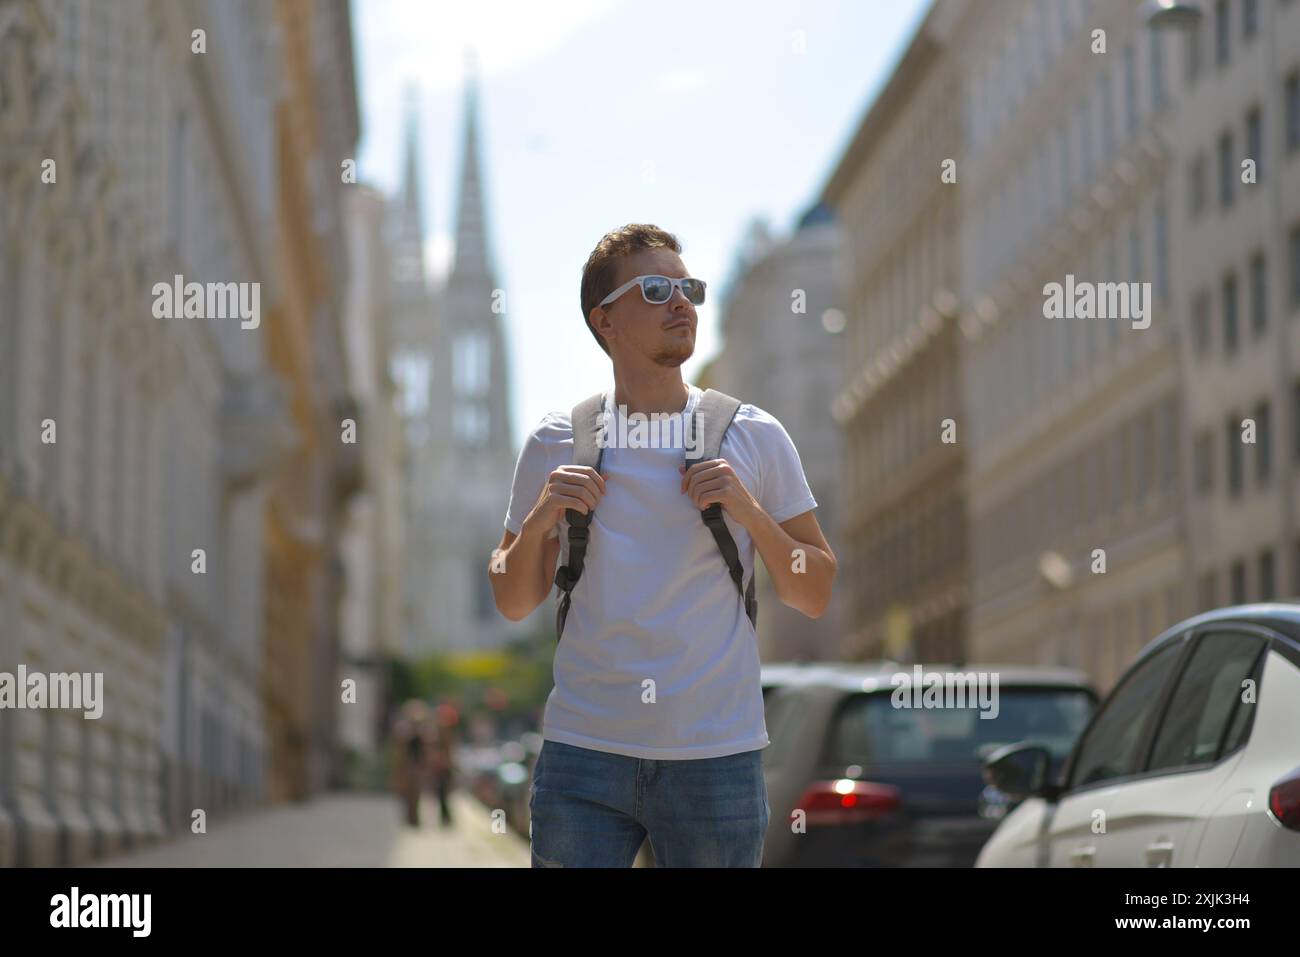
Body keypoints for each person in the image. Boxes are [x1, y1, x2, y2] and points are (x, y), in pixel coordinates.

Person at [488, 224, 837, 867]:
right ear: (606, 320)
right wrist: (540, 518)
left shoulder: (753, 436)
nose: (681, 302)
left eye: (688, 288)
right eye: (655, 288)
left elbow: (812, 590)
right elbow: (513, 599)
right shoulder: (555, 442)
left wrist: (749, 511)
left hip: (715, 759)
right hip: (584, 755)